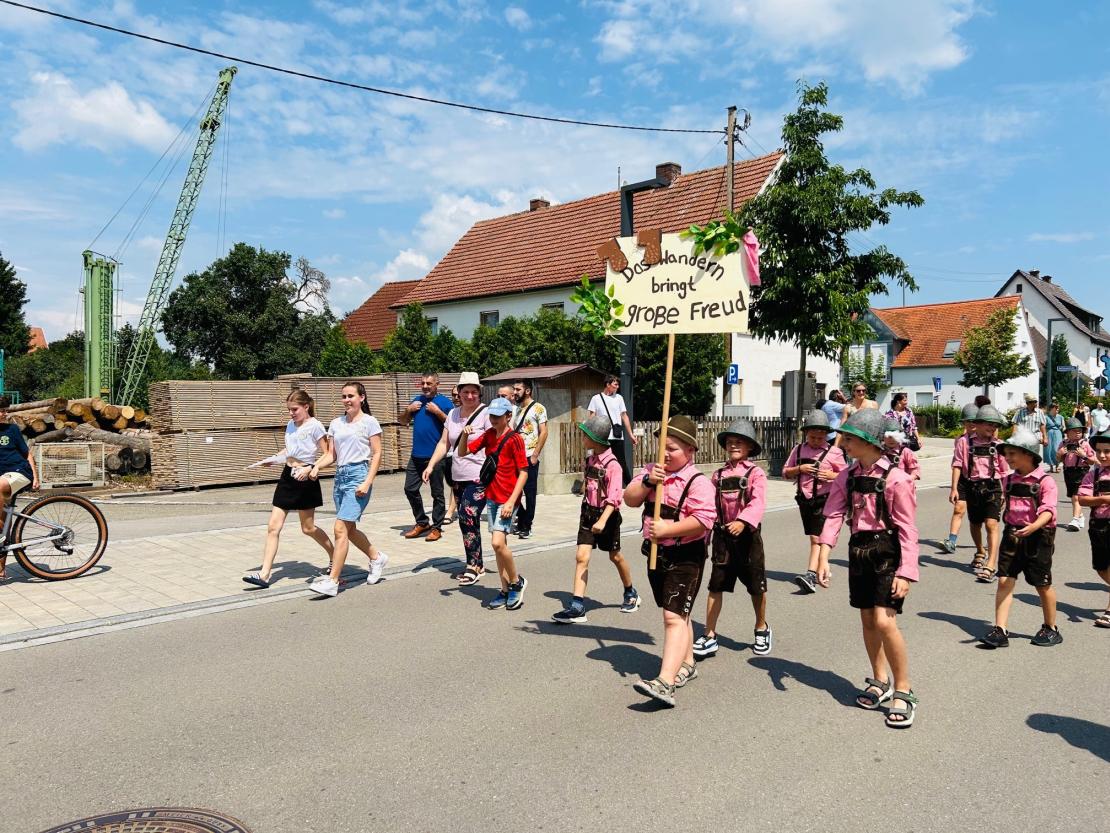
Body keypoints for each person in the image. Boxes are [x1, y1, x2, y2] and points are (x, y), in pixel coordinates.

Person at [816, 409, 920, 729]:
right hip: (858, 551)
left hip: (888, 553)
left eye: (849, 439)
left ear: (869, 442)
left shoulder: (897, 479)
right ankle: (880, 679)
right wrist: (822, 556)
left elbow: (908, 530)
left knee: (884, 621)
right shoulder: (846, 477)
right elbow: (834, 515)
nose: (842, 444)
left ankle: (903, 689)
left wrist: (906, 572)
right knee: (867, 619)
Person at [624, 416, 716, 707]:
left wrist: (667, 529)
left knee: (673, 617)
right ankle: (687, 663)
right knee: (677, 612)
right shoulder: (652, 472)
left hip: (686, 556)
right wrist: (649, 482)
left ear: (690, 451)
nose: (665, 453)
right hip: (656, 554)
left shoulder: (698, 482)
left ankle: (665, 682)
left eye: (672, 448)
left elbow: (703, 521)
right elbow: (629, 498)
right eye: (662, 446)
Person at [692, 419, 770, 661]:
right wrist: (703, 537)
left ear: (749, 447)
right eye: (729, 442)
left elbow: (758, 501)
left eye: (739, 442)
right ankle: (709, 634)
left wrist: (744, 521)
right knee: (715, 586)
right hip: (723, 539)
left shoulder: (756, 473)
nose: (733, 445)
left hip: (748, 539)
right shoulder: (717, 475)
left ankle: (761, 628)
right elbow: (709, 506)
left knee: (756, 587)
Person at [979, 427, 1062, 648]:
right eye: (1006, 454)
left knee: (1042, 583)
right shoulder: (1008, 480)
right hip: (1012, 534)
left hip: (1038, 536)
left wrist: (1033, 526)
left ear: (1028, 454)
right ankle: (1000, 629)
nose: (1008, 458)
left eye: (1012, 454)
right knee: (1005, 580)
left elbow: (1048, 510)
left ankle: (1050, 627)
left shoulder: (1045, 481)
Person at [551, 414, 639, 623]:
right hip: (588, 513)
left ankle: (630, 592)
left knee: (615, 556)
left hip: (607, 517)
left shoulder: (613, 465)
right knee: (582, 557)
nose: (582, 438)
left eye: (585, 435)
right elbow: (587, 482)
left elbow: (615, 498)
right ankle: (577, 605)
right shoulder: (590, 459)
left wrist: (602, 521)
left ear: (595, 438)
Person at [243, 390, 333, 589]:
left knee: (308, 528)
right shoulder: (291, 425)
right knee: (273, 527)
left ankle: (335, 556)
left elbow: (328, 454)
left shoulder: (315, 426)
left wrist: (311, 468)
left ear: (306, 407)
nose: (291, 414)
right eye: (289, 410)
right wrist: (274, 458)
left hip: (306, 478)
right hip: (288, 477)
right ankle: (264, 574)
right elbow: (290, 450)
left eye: (295, 409)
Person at [307, 382, 388, 597]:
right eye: (344, 396)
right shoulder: (336, 423)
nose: (347, 400)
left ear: (362, 398)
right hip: (340, 478)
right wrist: (316, 466)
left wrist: (367, 481)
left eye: (351, 395)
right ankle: (376, 557)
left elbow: (377, 453)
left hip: (359, 476)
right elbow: (332, 455)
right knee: (349, 530)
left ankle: (333, 580)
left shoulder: (369, 422)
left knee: (340, 529)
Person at [463, 397, 529, 610]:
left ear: (508, 416)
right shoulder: (489, 435)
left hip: (508, 499)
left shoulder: (515, 439)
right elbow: (463, 452)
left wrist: (511, 501)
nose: (493, 420)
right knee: (500, 547)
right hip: (492, 496)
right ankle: (504, 589)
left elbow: (524, 473)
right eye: (491, 416)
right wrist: (464, 436)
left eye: (498, 417)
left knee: (497, 543)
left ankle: (516, 582)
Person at [424, 372, 490, 585]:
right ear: (459, 394)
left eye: (474, 392)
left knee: (467, 515)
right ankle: (476, 562)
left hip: (480, 475)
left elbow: (495, 442)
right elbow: (444, 444)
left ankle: (473, 565)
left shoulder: (486, 414)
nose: (470, 396)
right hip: (458, 476)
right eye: (465, 392)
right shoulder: (452, 414)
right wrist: (431, 464)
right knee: (466, 520)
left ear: (479, 393)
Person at [783, 409, 847, 593]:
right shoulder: (799, 449)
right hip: (805, 501)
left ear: (827, 435)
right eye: (812, 437)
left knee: (816, 538)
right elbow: (785, 473)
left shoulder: (834, 452)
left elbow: (846, 477)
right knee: (815, 537)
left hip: (825, 500)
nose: (816, 441)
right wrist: (800, 468)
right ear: (806, 434)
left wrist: (831, 475)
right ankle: (821, 571)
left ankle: (811, 574)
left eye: (820, 438)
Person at [953, 405, 1009, 582]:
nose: (992, 428)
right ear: (977, 424)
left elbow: (1006, 472)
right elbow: (957, 465)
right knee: (975, 523)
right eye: (988, 424)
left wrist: (1006, 493)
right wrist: (954, 488)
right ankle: (980, 550)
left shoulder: (999, 446)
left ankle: (991, 564)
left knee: (991, 524)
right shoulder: (964, 442)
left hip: (993, 486)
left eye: (994, 425)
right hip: (972, 486)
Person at [399, 373, 454, 543]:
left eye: (429, 383)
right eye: (422, 383)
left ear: (437, 384)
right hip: (416, 455)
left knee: (437, 493)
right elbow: (402, 421)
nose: (425, 386)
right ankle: (422, 522)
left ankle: (437, 528)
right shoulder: (417, 400)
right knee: (410, 489)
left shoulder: (445, 403)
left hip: (436, 457)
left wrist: (438, 413)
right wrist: (408, 410)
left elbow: (454, 426)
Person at [0, 395, 39, 583]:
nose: (3, 413)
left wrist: (36, 477)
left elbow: (27, 454)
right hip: (3, 480)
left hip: (18, 472)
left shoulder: (12, 430)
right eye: (1, 410)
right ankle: (1, 571)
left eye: (5, 410)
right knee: (4, 522)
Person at [1076, 429, 1110, 627]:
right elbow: (1082, 498)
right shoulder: (1093, 473)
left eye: (1107, 451)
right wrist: (1104, 499)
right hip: (1098, 526)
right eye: (1099, 451)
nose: (1103, 455)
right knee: (1100, 567)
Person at [942, 403, 982, 554]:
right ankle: (951, 541)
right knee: (959, 509)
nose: (971, 424)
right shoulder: (961, 440)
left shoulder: (987, 440)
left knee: (980, 518)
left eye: (974, 421)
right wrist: (953, 488)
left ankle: (982, 546)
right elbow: (957, 464)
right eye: (968, 421)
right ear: (964, 423)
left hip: (981, 481)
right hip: (964, 479)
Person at [511, 379, 548, 540]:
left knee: (530, 492)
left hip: (529, 455)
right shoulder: (517, 409)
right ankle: (523, 519)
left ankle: (527, 525)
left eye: (518, 389)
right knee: (513, 491)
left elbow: (544, 432)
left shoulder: (538, 408)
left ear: (527, 391)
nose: (514, 392)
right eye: (514, 389)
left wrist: (535, 454)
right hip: (516, 456)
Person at [588, 375, 638, 486]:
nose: (617, 386)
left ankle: (628, 485)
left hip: (616, 435)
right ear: (608, 384)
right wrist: (591, 435)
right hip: (602, 436)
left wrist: (631, 435)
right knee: (601, 461)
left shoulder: (619, 398)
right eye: (615, 384)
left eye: (618, 384)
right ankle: (600, 484)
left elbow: (624, 416)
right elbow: (592, 417)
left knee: (620, 461)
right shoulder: (596, 399)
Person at [1059, 419, 1096, 532]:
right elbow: (1059, 459)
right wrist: (1060, 454)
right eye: (1074, 431)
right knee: (1072, 496)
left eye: (1079, 431)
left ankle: (1075, 519)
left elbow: (1092, 461)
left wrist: (1083, 455)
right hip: (1068, 472)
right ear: (1067, 433)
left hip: (1081, 472)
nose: (1078, 433)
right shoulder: (1063, 443)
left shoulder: (1085, 444)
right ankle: (1080, 516)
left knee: (1076, 496)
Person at [881, 416, 921, 482]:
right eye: (888, 437)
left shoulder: (905, 451)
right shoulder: (880, 451)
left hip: (902, 487)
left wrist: (909, 479)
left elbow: (915, 470)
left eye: (895, 436)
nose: (891, 440)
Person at [444, 385, 461, 525]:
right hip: (450, 454)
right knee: (453, 484)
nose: (456, 397)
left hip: (467, 457)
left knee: (457, 484)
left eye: (458, 394)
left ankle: (450, 511)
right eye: (453, 395)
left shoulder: (480, 413)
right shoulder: (452, 413)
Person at [1044, 403, 1064, 473]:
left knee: (1056, 449)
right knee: (1049, 450)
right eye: (1056, 409)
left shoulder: (1060, 417)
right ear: (1052, 409)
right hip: (1049, 433)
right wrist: (1044, 436)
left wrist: (1061, 428)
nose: (1057, 410)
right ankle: (1051, 466)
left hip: (1058, 433)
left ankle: (1057, 465)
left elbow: (1063, 426)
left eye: (1058, 409)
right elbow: (1043, 427)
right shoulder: (1046, 417)